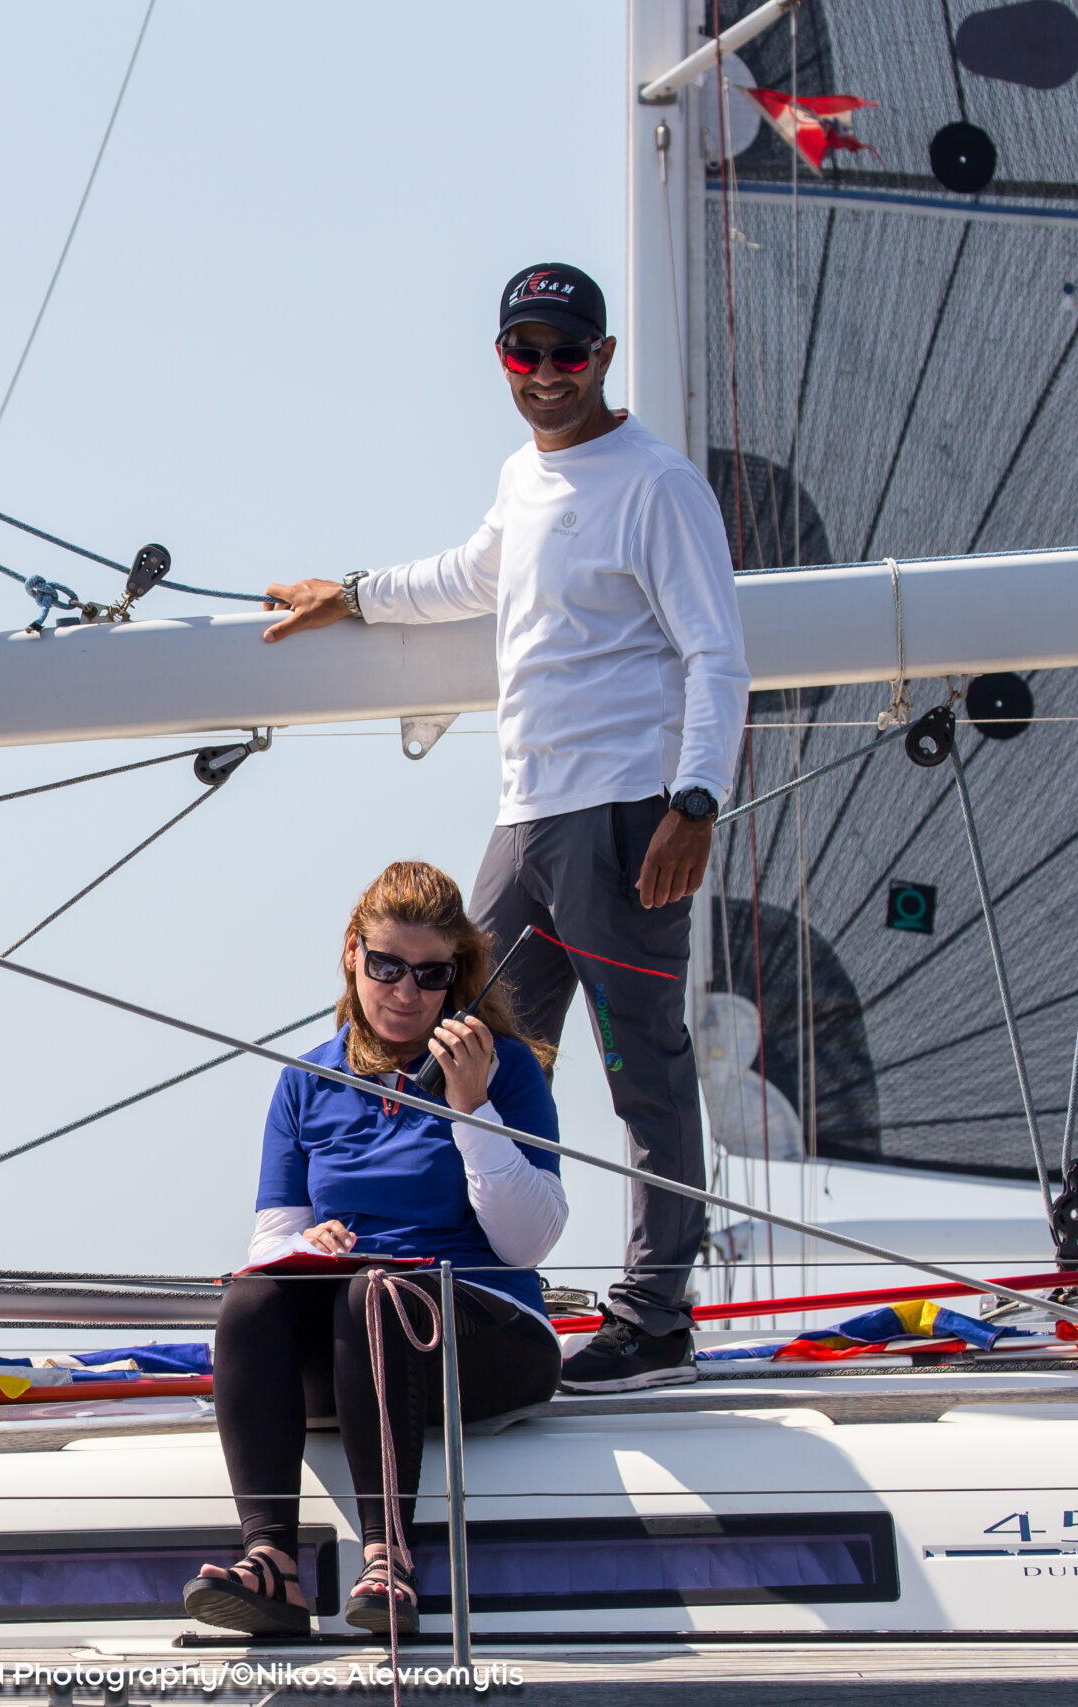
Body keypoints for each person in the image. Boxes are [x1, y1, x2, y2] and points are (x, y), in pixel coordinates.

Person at [261, 263, 748, 1394]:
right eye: (522, 352)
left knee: (645, 1068)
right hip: (523, 821)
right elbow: (474, 574)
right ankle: (463, 1272)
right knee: (456, 1045)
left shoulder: (657, 485)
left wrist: (695, 802)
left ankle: (655, 1312)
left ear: (603, 358)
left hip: (625, 819)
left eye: (564, 353)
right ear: (500, 360)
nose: (543, 373)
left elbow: (717, 653)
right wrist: (355, 592)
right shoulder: (522, 478)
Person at [183, 861, 566, 1639]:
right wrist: (303, 1241)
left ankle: (389, 1556)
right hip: (353, 1338)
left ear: (456, 976)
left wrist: (473, 1109)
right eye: (387, 966)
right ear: (353, 953)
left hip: (483, 1338)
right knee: (254, 1295)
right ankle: (271, 1563)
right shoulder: (306, 1082)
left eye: (431, 974)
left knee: (376, 1292)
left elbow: (528, 1240)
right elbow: (271, 1238)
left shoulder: (503, 1067)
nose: (405, 991)